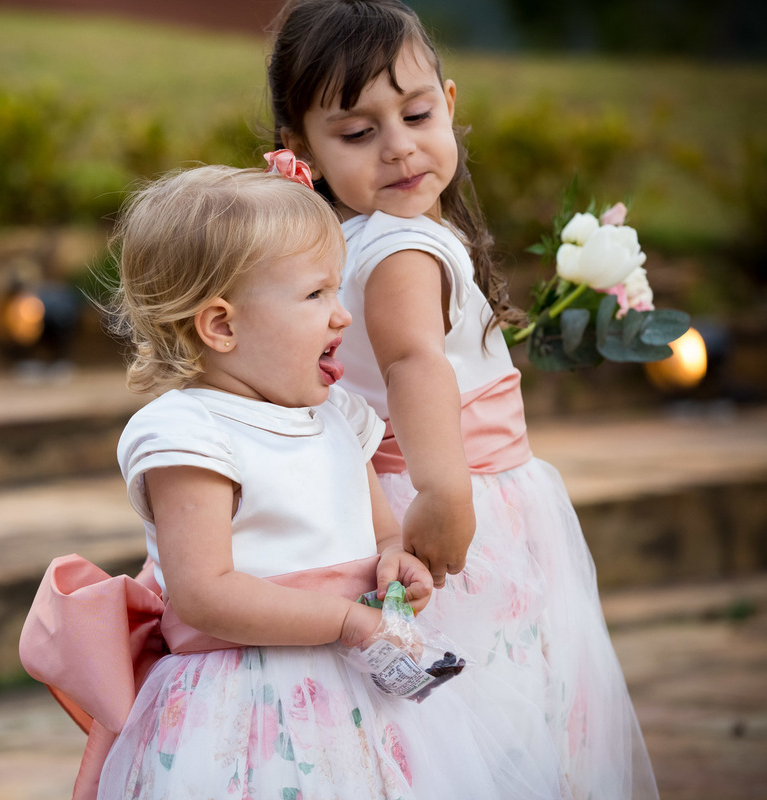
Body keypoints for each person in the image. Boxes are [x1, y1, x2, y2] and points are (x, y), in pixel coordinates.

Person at [22, 164, 570, 800]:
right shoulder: (191, 434)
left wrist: (396, 563)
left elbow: (381, 530)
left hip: (355, 697)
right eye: (315, 297)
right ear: (221, 325)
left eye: (338, 293)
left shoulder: (334, 415)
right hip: (246, 704)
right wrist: (344, 622)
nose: (342, 318)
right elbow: (203, 595)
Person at [265, 1, 659, 797]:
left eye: (414, 114)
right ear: (301, 147)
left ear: (449, 102)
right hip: (447, 497)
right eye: (357, 132)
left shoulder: (359, 239)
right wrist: (446, 492)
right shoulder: (406, 245)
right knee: (491, 708)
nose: (400, 147)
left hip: (404, 493)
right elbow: (414, 363)